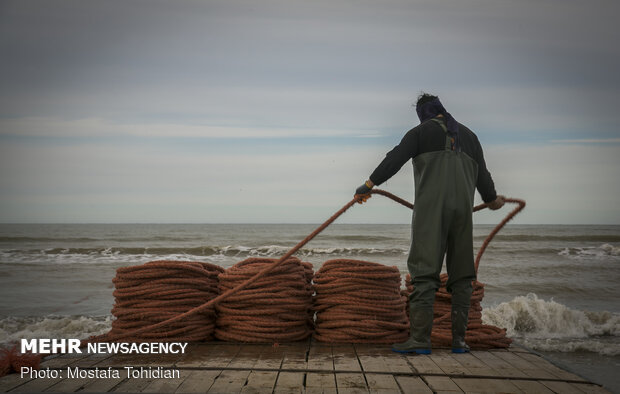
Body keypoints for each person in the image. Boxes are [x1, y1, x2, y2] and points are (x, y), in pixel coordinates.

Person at [354, 93, 505, 354]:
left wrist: (368, 185)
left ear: (422, 113)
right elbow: (484, 178)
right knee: (462, 275)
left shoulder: (419, 133)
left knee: (424, 272)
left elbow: (394, 159)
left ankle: (420, 341)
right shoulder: (470, 136)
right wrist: (492, 200)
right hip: (463, 214)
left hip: (431, 211)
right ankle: (459, 342)